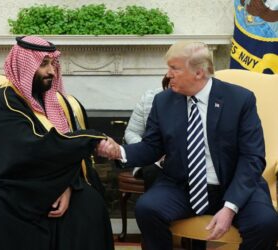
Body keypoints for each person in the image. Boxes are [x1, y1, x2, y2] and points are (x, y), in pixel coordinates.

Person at [98, 41, 278, 250]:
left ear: (199, 73)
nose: (168, 75)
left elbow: (252, 157)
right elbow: (151, 147)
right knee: (147, 209)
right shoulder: (163, 101)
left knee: (265, 223)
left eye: (174, 68)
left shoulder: (240, 100)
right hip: (183, 186)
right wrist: (118, 151)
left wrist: (230, 208)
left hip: (235, 184)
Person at [0, 36, 114, 250]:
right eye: (43, 64)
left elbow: (66, 153)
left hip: (51, 181)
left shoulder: (58, 104)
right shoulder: (1, 102)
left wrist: (67, 186)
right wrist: (92, 138)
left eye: (53, 63)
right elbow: (33, 150)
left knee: (89, 205)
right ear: (25, 66)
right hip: (3, 183)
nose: (52, 71)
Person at [124, 76, 169, 190]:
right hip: (151, 161)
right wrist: (149, 149)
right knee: (153, 172)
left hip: (180, 160)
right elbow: (131, 132)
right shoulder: (150, 97)